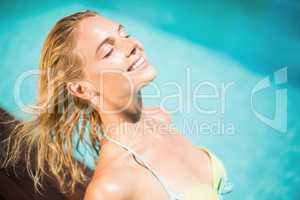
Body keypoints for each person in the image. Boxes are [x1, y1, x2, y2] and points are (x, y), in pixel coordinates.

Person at [2, 10, 232, 200]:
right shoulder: (111, 186)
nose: (132, 45)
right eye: (109, 50)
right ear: (82, 89)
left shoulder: (160, 118)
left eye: (125, 34)